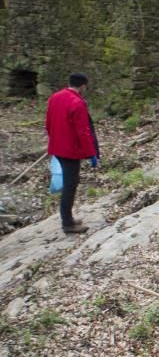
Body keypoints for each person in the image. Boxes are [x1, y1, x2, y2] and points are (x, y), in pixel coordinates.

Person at [45, 72, 99, 235]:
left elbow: (48, 123)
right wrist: (92, 154)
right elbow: (83, 132)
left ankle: (68, 218)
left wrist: (55, 139)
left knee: (70, 183)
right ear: (83, 86)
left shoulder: (55, 97)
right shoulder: (78, 103)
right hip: (70, 151)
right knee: (70, 185)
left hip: (57, 147)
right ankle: (67, 223)